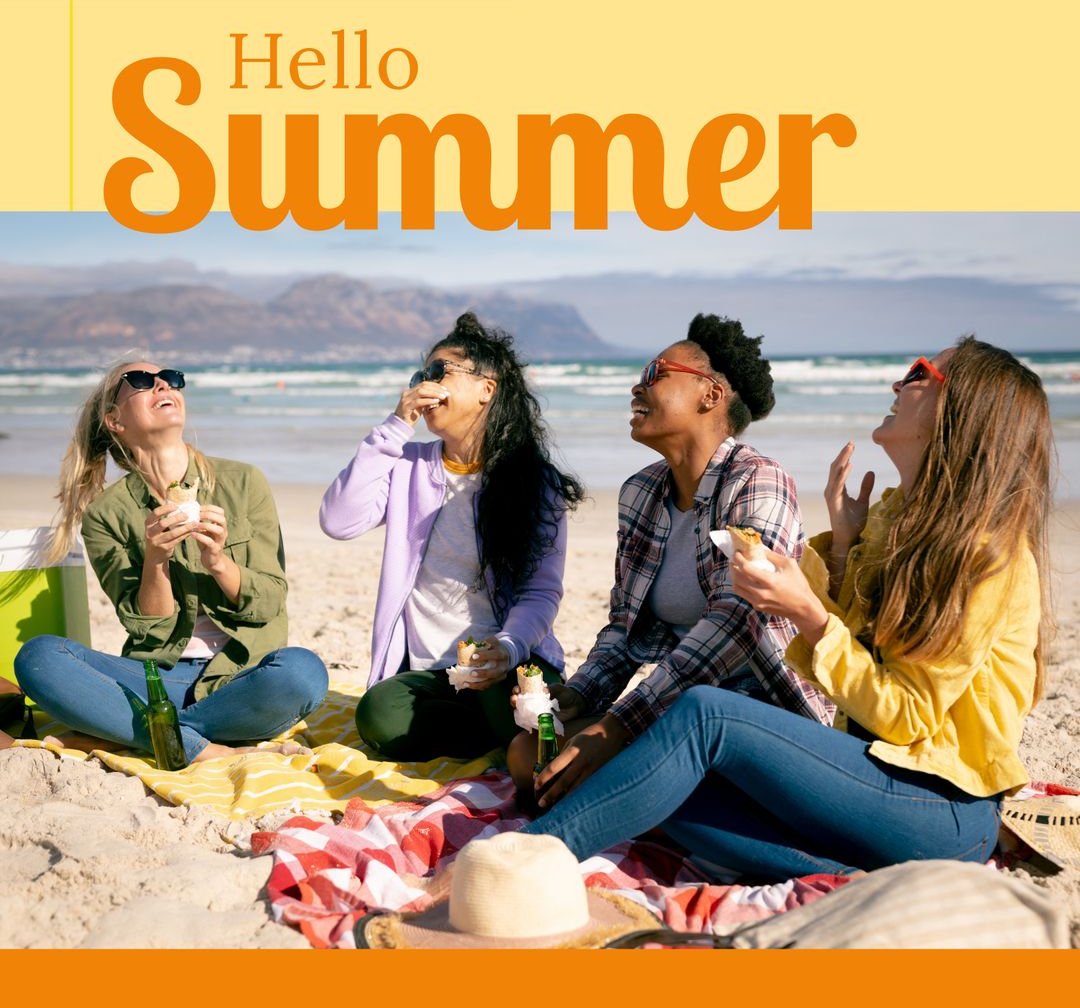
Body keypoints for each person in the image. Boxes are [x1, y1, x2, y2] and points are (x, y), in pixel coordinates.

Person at [522, 338, 1050, 881]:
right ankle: (845, 876)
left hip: (941, 806)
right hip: (866, 779)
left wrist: (811, 618)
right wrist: (843, 550)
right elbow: (869, 673)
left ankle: (527, 858)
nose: (898, 384)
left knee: (707, 716)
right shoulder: (900, 521)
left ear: (963, 409)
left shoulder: (987, 554)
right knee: (661, 784)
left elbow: (907, 717)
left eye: (918, 374)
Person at [508, 314, 832, 797]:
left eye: (655, 374)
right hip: (674, 703)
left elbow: (738, 621)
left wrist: (616, 726)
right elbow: (624, 627)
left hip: (762, 708)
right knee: (530, 752)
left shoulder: (758, 481)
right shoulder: (639, 493)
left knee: (594, 765)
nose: (636, 389)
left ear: (711, 395)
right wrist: (580, 694)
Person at [12, 361, 328, 763]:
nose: (163, 383)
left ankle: (145, 732)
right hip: (157, 678)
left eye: (172, 378)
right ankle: (203, 748)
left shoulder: (244, 481)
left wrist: (218, 561)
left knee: (303, 673)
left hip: (244, 676)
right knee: (38, 658)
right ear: (115, 420)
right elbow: (145, 628)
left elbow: (269, 603)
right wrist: (156, 561)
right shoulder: (105, 515)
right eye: (142, 381)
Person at [320, 313, 584, 761]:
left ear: (487, 389)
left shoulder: (535, 482)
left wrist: (505, 648)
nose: (426, 382)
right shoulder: (406, 464)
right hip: (432, 673)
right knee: (378, 715)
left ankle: (517, 726)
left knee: (510, 706)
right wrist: (394, 427)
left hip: (508, 659)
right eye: (421, 374)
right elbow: (338, 521)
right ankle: (503, 737)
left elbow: (541, 591)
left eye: (440, 371)